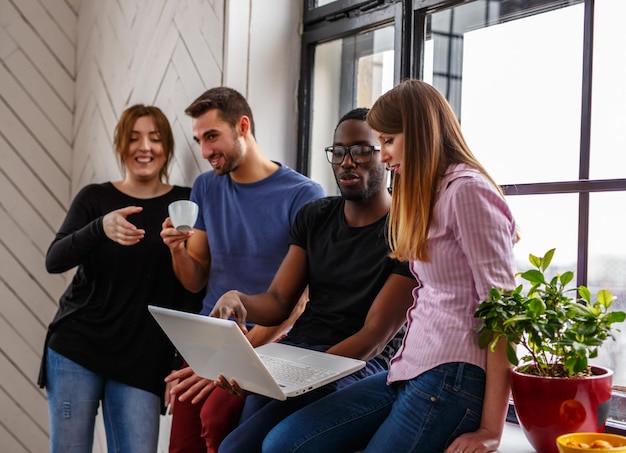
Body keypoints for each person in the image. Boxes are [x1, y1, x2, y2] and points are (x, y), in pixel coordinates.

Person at [262, 79, 519, 453]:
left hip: (451, 377)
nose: (382, 156)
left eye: (388, 141)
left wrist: (491, 430)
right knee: (284, 443)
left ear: (419, 134)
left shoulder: (468, 192)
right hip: (408, 369)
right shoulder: (432, 194)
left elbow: (503, 316)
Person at [209, 107, 417, 453]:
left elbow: (373, 338)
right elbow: (277, 302)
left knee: (247, 447)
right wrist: (238, 298)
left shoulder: (404, 232)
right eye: (339, 151)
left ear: (386, 155)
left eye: (361, 150)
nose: (347, 161)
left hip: (355, 364)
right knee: (236, 437)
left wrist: (300, 375)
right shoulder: (316, 216)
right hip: (299, 350)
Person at [160, 87, 326, 453]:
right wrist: (177, 250)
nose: (205, 152)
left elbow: (298, 300)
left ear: (243, 126)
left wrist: (232, 356)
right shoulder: (206, 187)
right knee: (181, 445)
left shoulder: (304, 194)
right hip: (207, 337)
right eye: (199, 140)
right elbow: (195, 277)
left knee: (218, 426)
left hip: (268, 342)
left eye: (212, 136)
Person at [39, 104, 202, 453]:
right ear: (120, 146)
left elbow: (192, 290)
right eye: (134, 138)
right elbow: (54, 260)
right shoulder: (96, 198)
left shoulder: (185, 203)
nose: (145, 147)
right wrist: (99, 228)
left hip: (143, 356)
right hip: (78, 346)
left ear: (167, 147)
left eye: (155, 139)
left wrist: (178, 363)